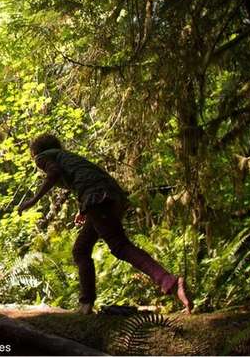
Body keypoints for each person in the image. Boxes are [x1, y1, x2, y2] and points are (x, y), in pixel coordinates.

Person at [17, 133, 193, 314]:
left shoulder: (43, 157)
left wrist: (33, 200)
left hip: (97, 199)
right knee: (81, 249)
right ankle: (86, 304)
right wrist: (83, 209)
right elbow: (85, 178)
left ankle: (168, 281)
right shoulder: (67, 157)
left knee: (120, 246)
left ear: (36, 152)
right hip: (111, 197)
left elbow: (54, 174)